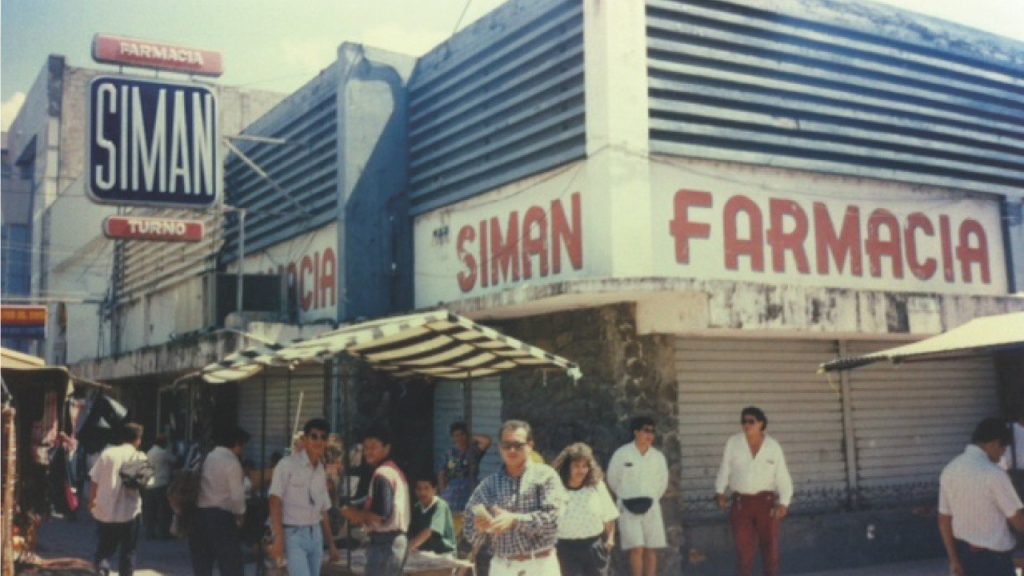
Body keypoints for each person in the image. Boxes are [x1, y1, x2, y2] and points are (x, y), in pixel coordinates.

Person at [464, 419, 566, 576]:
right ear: (500, 448)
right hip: (502, 567)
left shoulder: (546, 477)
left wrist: (515, 521)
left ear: (530, 445)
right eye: (507, 445)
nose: (512, 450)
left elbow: (554, 522)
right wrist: (480, 528)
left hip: (539, 565)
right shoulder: (489, 485)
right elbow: (469, 529)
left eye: (518, 445)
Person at [939, 417, 1024, 576]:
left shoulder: (950, 470)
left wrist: (954, 560)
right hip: (995, 561)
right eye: (1003, 449)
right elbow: (1018, 520)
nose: (1002, 455)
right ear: (995, 443)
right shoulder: (995, 474)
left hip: (964, 557)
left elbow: (944, 520)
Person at [714, 406, 793, 576]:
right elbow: (725, 468)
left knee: (771, 551)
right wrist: (720, 492)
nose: (747, 425)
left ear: (761, 424)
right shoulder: (733, 443)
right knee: (744, 553)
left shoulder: (773, 446)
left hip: (766, 503)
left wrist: (784, 502)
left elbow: (782, 475)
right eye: (743, 421)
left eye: (751, 421)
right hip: (741, 504)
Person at [269, 418, 341, 576]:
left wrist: (331, 544)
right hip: (293, 535)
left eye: (323, 437)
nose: (318, 441)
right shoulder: (287, 465)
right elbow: (275, 501)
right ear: (305, 439)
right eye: (314, 436)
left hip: (315, 535)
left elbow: (323, 510)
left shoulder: (320, 470)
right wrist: (278, 538)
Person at [341, 425, 411, 575]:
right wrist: (352, 507)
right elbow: (374, 501)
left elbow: (381, 514)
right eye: (366, 448)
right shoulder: (393, 470)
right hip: (393, 542)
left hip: (386, 544)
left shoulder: (383, 473)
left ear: (386, 449)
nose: (368, 452)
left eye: (373, 447)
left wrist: (356, 514)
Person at [607, 416, 669, 576]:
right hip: (628, 508)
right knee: (636, 548)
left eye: (652, 432)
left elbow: (662, 482)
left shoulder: (658, 457)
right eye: (646, 431)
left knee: (651, 549)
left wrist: (651, 499)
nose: (650, 435)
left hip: (651, 508)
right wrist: (625, 497)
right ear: (635, 432)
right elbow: (612, 479)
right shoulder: (621, 454)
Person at [189, 426, 250, 576]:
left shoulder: (206, 457)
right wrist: (241, 514)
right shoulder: (232, 462)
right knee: (231, 566)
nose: (243, 451)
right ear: (237, 443)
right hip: (221, 518)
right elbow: (237, 496)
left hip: (198, 516)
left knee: (202, 567)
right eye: (243, 446)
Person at [552, 442, 618, 576]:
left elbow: (609, 514)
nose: (581, 471)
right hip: (566, 549)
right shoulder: (555, 488)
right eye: (576, 466)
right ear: (567, 467)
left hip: (593, 548)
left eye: (585, 466)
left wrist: (610, 540)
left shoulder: (596, 486)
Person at [89, 422, 145, 576]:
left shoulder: (108, 454)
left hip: (105, 510)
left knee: (104, 549)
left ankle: (101, 570)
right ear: (138, 440)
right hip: (130, 512)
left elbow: (94, 479)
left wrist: (92, 501)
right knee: (128, 551)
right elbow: (146, 483)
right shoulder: (139, 457)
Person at [438, 421, 492, 537]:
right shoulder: (449, 453)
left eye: (462, 434)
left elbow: (487, 441)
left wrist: (472, 437)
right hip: (453, 490)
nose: (459, 438)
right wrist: (443, 492)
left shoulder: (473, 451)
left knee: (471, 517)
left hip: (471, 486)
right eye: (456, 435)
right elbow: (442, 473)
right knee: (454, 519)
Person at [409, 476, 457, 557]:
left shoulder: (441, 506)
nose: (422, 492)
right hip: (425, 553)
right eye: (419, 489)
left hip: (444, 554)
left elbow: (429, 531)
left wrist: (410, 546)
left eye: (426, 488)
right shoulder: (417, 508)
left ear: (434, 490)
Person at [143, 435, 175, 539]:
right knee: (163, 510)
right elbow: (175, 460)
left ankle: (149, 532)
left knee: (150, 510)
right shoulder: (163, 453)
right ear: (164, 443)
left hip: (149, 484)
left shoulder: (149, 452)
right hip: (161, 484)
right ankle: (163, 533)